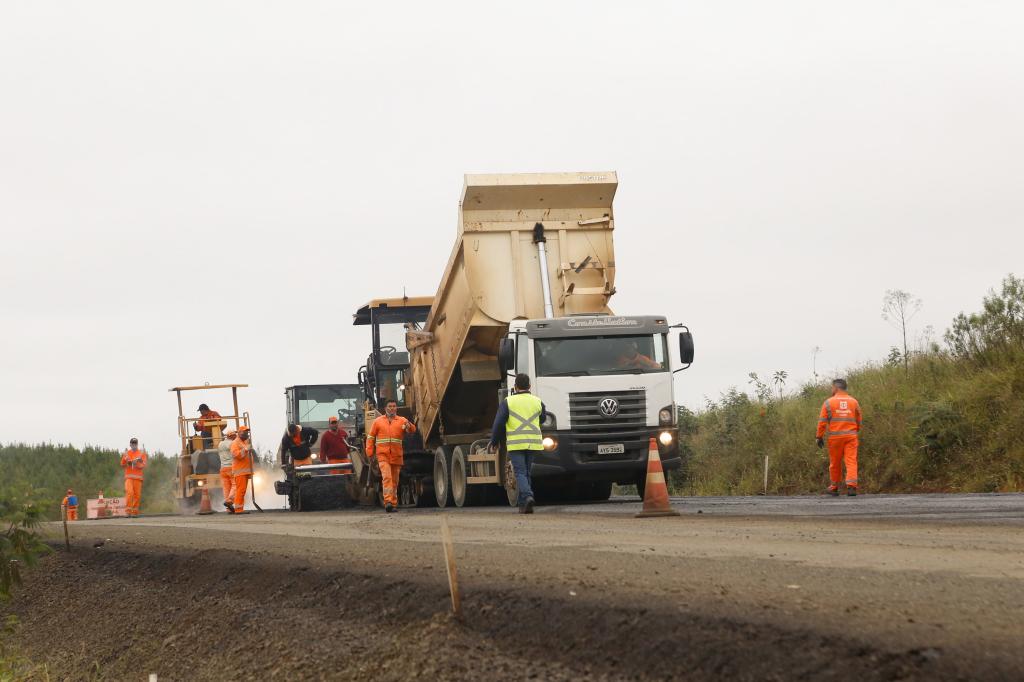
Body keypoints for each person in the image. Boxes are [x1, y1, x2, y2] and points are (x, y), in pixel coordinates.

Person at [489, 373, 546, 514]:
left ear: (515, 387)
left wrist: (494, 441)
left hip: (516, 443)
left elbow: (499, 423)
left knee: (520, 472)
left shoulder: (508, 402)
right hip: (533, 443)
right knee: (526, 472)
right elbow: (543, 418)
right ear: (530, 386)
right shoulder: (538, 401)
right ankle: (524, 506)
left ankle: (527, 496)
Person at [366, 399, 415, 512]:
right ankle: (388, 502)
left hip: (396, 456)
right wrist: (369, 452)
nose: (392, 408)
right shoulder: (378, 421)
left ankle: (393, 504)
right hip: (383, 455)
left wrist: (409, 425)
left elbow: (413, 429)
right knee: (387, 477)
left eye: (394, 406)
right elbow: (371, 437)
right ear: (385, 408)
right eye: (390, 406)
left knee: (394, 480)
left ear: (396, 408)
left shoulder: (402, 420)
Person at [816, 378, 863, 497]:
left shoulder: (828, 402)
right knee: (851, 461)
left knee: (835, 463)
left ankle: (834, 487)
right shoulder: (854, 402)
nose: (831, 389)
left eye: (832, 387)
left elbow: (822, 422)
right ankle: (851, 487)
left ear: (836, 388)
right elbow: (859, 419)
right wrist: (855, 430)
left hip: (835, 438)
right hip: (851, 436)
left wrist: (819, 436)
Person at [120, 437, 148, 517]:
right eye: (132, 443)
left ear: (137, 444)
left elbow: (144, 464)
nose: (134, 445)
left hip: (138, 478)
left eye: (135, 444)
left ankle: (134, 512)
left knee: (137, 495)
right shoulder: (126, 453)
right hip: (129, 477)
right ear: (130, 444)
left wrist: (137, 464)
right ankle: (128, 512)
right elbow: (122, 464)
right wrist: (127, 462)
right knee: (129, 493)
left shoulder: (142, 453)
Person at [230, 426, 254, 514]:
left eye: (247, 432)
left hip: (244, 471)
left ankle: (239, 508)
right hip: (240, 471)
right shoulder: (235, 443)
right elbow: (236, 455)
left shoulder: (242, 442)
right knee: (240, 490)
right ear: (239, 433)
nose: (246, 434)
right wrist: (246, 449)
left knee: (242, 490)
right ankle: (238, 509)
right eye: (244, 432)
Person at [218, 429, 237, 512]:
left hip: (223, 469)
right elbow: (235, 453)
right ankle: (229, 501)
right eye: (234, 435)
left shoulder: (220, 444)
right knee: (235, 484)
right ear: (231, 436)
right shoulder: (232, 443)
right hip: (231, 467)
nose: (236, 436)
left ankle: (228, 509)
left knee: (226, 488)